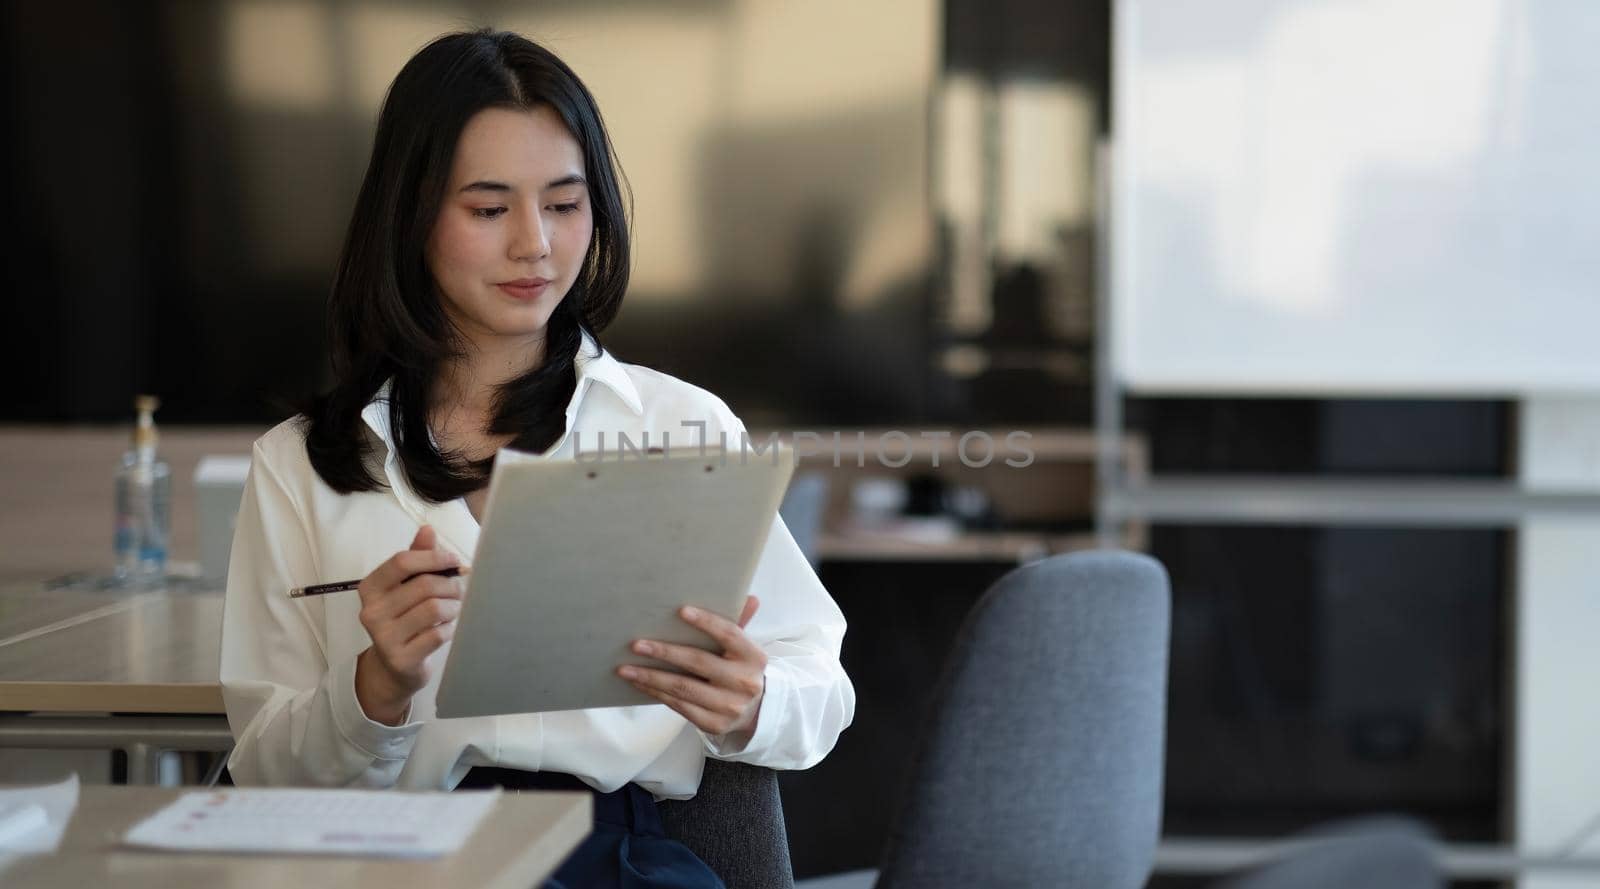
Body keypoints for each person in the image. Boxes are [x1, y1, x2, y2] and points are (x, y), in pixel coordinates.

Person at [219, 28, 855, 888]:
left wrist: (754, 702)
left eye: (564, 203)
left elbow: (823, 685)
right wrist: (373, 687)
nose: (537, 245)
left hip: (618, 857)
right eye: (489, 209)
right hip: (394, 857)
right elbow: (264, 774)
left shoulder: (680, 425)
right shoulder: (301, 464)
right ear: (410, 218)